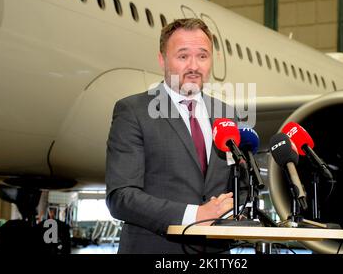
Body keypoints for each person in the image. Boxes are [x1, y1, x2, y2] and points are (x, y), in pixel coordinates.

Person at [105, 18, 244, 254]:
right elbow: (121, 197)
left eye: (202, 56)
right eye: (182, 56)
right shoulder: (133, 111)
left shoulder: (227, 115)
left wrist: (238, 206)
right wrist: (194, 215)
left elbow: (235, 182)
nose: (194, 66)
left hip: (215, 252)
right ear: (162, 60)